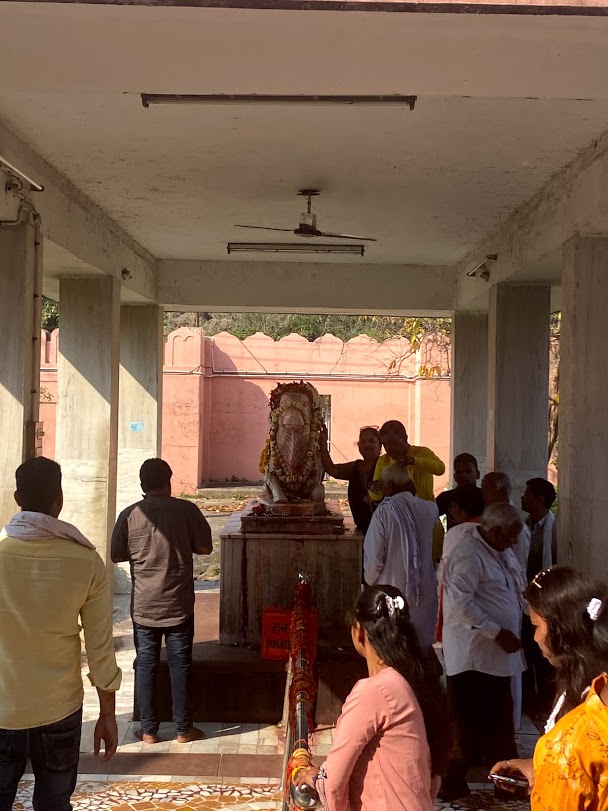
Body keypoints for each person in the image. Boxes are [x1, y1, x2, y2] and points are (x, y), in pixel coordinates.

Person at [0, 457, 121, 811]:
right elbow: (100, 650)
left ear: (18, 497)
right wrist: (108, 714)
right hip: (59, 710)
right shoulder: (86, 562)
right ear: (60, 498)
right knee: (54, 804)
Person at [295, 585, 451, 811]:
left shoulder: (374, 691)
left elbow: (335, 779)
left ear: (359, 631)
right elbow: (432, 779)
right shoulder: (413, 685)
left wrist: (316, 780)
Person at [111, 458, 212, 744]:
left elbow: (116, 554)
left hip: (144, 605)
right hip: (178, 604)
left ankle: (148, 730)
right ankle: (183, 729)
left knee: (145, 664)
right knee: (180, 664)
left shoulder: (129, 515)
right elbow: (205, 547)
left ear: (142, 485)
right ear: (168, 482)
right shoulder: (186, 510)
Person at [491, 566, 608, 810]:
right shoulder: (589, 688)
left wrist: (553, 761)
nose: (534, 638)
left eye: (536, 626)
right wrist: (539, 767)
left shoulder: (582, 723)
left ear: (562, 629)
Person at [439, 503, 526, 801]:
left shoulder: (499, 550)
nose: (514, 542)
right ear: (496, 530)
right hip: (473, 655)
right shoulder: (468, 553)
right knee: (465, 724)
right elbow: (460, 604)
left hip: (495, 658)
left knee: (498, 723)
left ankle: (506, 785)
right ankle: (451, 783)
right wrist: (497, 631)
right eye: (511, 535)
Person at [363, 464, 439, 652]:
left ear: (389, 485)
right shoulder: (430, 509)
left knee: (394, 654)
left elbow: (373, 562)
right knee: (419, 650)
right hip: (424, 593)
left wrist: (371, 585)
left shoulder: (384, 512)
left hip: (391, 594)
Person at [318, 424, 381, 534]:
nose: (367, 445)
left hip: (383, 528)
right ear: (358, 445)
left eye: (371, 441)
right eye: (363, 441)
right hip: (362, 526)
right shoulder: (355, 467)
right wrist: (323, 446)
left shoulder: (386, 466)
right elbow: (333, 470)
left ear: (380, 446)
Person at [370, 420, 445, 504]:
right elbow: (375, 497)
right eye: (384, 444)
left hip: (425, 510)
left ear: (405, 438)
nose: (388, 448)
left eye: (392, 443)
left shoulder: (422, 452)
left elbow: (440, 469)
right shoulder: (383, 460)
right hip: (397, 512)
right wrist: (376, 488)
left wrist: (413, 461)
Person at [481, 471, 531, 574]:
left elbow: (519, 566)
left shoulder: (516, 525)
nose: (482, 494)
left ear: (502, 491)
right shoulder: (488, 517)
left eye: (486, 489)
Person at [521, 478, 557, 582]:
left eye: (527, 495)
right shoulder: (523, 526)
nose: (522, 498)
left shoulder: (556, 531)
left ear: (540, 499)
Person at [436, 453, 481, 531]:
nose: (464, 475)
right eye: (459, 472)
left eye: (468, 471)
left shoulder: (485, 497)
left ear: (478, 474)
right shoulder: (446, 497)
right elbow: (428, 516)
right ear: (455, 477)